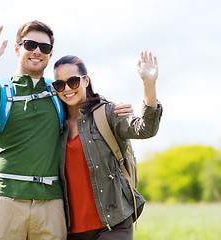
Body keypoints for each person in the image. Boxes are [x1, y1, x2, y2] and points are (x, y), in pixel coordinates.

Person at [0, 20, 134, 240]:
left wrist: (114, 108)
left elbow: (84, 103)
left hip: (51, 204)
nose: (37, 51)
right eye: (30, 44)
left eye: (45, 47)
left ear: (50, 54)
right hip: (5, 199)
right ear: (17, 48)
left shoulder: (58, 91)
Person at [52, 53, 162, 240]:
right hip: (70, 230)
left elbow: (145, 129)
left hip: (114, 224)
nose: (67, 89)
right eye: (60, 85)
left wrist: (148, 84)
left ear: (86, 80)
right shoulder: (54, 124)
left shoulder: (107, 112)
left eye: (73, 81)